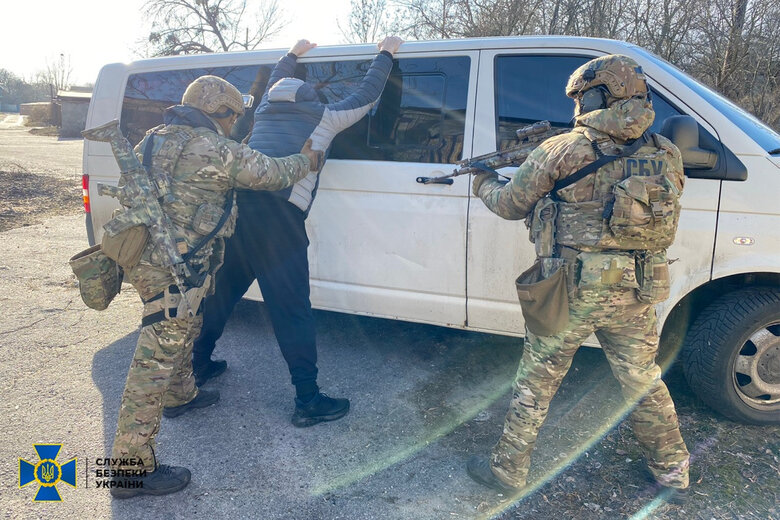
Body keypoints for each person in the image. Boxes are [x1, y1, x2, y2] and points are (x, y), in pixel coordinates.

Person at [466, 55, 690, 502]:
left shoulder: (562, 149)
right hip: (636, 286)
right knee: (644, 380)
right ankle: (672, 474)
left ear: (599, 95)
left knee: (538, 381)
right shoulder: (666, 151)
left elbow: (511, 204)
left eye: (582, 96)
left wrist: (483, 181)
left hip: (569, 289)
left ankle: (508, 471)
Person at [103, 75, 322, 498]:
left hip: (151, 258)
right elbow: (271, 173)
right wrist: (306, 160)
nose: (233, 125)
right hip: (173, 267)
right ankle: (129, 470)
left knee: (184, 329)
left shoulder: (152, 139)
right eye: (232, 117)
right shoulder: (213, 148)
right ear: (218, 111)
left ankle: (182, 394)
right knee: (153, 364)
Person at [192, 36, 403, 427]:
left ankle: (197, 367)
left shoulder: (262, 114)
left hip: (239, 213)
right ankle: (308, 399)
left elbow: (277, 79)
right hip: (279, 222)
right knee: (292, 310)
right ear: (307, 95)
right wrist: (386, 53)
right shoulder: (326, 115)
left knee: (220, 295)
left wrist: (290, 56)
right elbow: (369, 93)